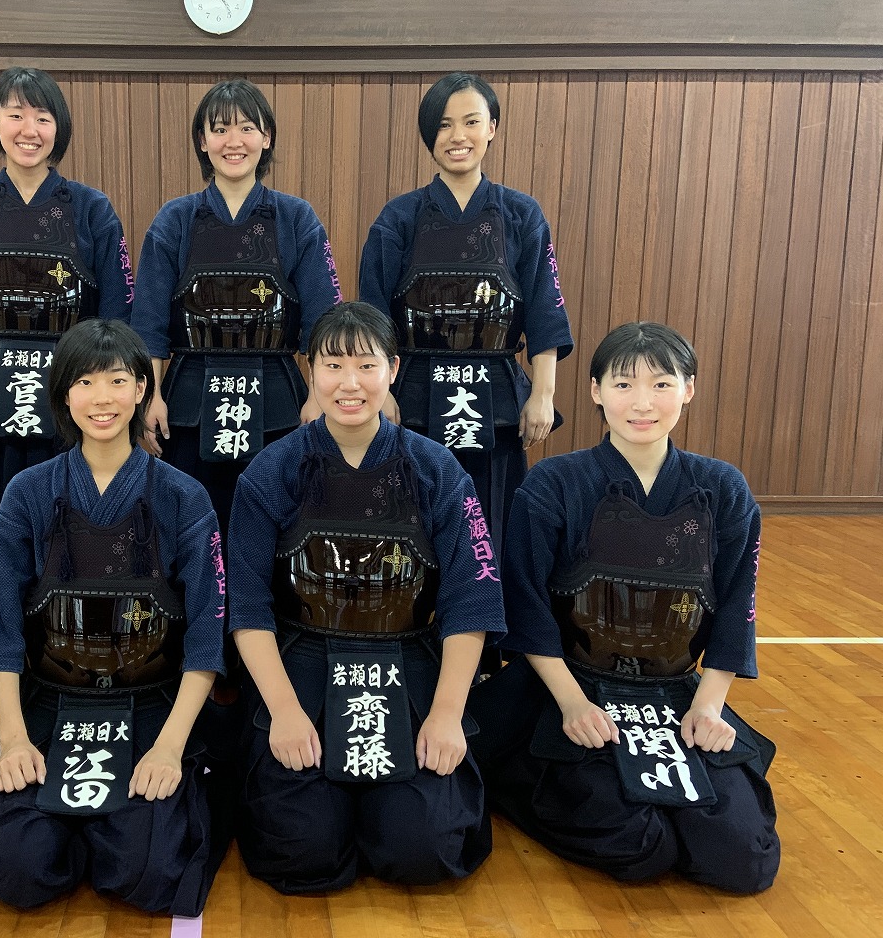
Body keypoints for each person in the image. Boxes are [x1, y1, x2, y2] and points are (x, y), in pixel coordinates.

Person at [470, 321, 780, 893]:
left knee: (743, 859)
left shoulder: (723, 489)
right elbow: (526, 600)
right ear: (594, 391)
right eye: (624, 384)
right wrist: (572, 704)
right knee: (637, 843)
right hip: (571, 687)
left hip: (673, 694)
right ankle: (516, 772)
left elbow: (737, 606)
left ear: (688, 389)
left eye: (662, 384)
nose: (642, 403)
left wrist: (709, 708)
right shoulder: (554, 483)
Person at [227, 302, 506, 894]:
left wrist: (448, 714)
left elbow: (471, 600)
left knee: (422, 848)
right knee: (302, 850)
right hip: (302, 663)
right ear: (310, 372)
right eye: (332, 365)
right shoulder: (271, 471)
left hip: (407, 661)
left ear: (394, 369)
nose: (349, 384)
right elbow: (247, 606)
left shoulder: (437, 469)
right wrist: (282, 710)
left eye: (366, 365)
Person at [0, 319, 228, 916]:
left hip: (151, 704)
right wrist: (12, 738)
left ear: (141, 390)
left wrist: (168, 747)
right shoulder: (27, 494)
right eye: (84, 381)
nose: (101, 397)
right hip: (52, 704)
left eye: (117, 379)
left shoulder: (184, 497)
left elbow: (207, 637)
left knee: (150, 873)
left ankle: (103, 832)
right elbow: (2, 632)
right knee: (17, 867)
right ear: (61, 395)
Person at [358, 72, 573, 558]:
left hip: (496, 394)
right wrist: (381, 392)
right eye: (444, 125)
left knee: (492, 523)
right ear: (428, 135)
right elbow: (371, 317)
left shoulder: (521, 214)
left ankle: (488, 632)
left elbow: (544, 310)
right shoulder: (399, 217)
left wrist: (542, 395)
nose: (458, 136)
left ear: (492, 127)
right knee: (410, 518)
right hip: (413, 392)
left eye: (471, 122)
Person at [0, 66, 133, 525]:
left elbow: (117, 319)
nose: (29, 131)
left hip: (73, 391)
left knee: (68, 520)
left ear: (59, 129)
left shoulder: (92, 208)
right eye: (17, 115)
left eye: (43, 118)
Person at [132, 78, 343, 536]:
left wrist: (317, 396)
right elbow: (148, 323)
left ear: (266, 139)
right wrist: (150, 394)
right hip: (189, 399)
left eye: (246, 128)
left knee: (276, 523)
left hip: (279, 399)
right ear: (202, 141)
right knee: (189, 524)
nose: (234, 142)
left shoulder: (296, 217)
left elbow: (324, 320)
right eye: (220, 129)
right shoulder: (175, 219)